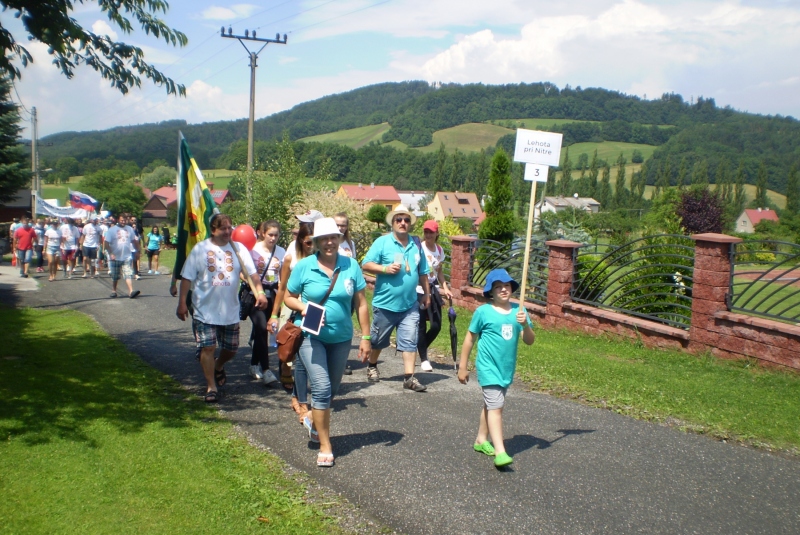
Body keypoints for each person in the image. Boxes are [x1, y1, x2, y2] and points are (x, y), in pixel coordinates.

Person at [284, 217, 371, 467]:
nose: (330, 242)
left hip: (342, 338)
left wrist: (365, 337)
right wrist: (302, 307)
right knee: (321, 388)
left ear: (339, 239)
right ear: (316, 242)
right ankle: (325, 444)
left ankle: (312, 417)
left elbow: (362, 303)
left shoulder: (351, 265)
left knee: (330, 392)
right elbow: (288, 296)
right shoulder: (304, 266)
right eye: (325, 239)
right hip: (311, 336)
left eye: (334, 237)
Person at [176, 213, 268, 403]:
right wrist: (182, 302)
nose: (228, 231)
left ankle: (218, 366)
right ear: (213, 230)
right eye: (223, 228)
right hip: (204, 309)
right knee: (208, 347)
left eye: (230, 227)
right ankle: (211, 386)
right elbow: (187, 278)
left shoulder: (238, 249)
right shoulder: (200, 249)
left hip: (230, 310)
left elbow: (252, 274)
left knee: (231, 349)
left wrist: (259, 292)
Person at [457, 269, 535, 468]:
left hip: (506, 369)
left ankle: (481, 440)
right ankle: (500, 451)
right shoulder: (483, 312)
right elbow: (469, 339)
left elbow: (529, 341)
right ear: (490, 292)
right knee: (496, 407)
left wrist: (525, 325)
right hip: (488, 367)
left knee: (491, 405)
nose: (503, 289)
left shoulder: (520, 311)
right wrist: (463, 366)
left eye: (507, 285)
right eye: (498, 286)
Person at [361, 205, 431, 392]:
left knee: (409, 340)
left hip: (409, 304)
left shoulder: (416, 245)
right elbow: (365, 263)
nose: (402, 223)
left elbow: (423, 272)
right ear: (392, 223)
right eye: (398, 220)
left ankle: (409, 377)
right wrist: (384, 269)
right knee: (378, 341)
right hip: (385, 304)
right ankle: (372, 365)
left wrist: (427, 294)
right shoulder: (382, 243)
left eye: (406, 220)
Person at [271, 223, 314, 417]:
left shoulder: (322, 260)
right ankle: (286, 370)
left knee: (306, 353)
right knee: (290, 348)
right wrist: (274, 313)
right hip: (291, 307)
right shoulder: (291, 258)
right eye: (308, 242)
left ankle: (298, 394)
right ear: (300, 242)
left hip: (312, 310)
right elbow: (282, 288)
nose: (312, 246)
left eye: (315, 242)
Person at [247, 220, 285, 386]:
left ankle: (254, 364)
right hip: (254, 294)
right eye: (270, 234)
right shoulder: (252, 250)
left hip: (273, 294)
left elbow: (283, 278)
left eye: (276, 235)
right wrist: (256, 289)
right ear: (262, 233)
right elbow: (244, 273)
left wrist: (282, 299)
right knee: (262, 327)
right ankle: (266, 370)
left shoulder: (281, 252)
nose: (273, 238)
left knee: (263, 330)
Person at [416, 220, 453, 372]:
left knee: (436, 326)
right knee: (421, 326)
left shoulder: (439, 250)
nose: (428, 235)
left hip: (433, 289)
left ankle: (420, 347)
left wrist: (445, 287)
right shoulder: (419, 248)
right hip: (418, 290)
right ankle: (424, 358)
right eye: (426, 232)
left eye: (431, 232)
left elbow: (439, 272)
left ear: (437, 233)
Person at [103, 215, 141, 298]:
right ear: (118, 220)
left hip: (127, 256)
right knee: (115, 276)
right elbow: (106, 243)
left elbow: (134, 241)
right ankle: (114, 291)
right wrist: (110, 253)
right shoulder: (112, 230)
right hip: (115, 257)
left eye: (124, 220)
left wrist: (138, 250)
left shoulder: (129, 229)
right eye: (121, 220)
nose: (123, 222)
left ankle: (131, 291)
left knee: (128, 273)